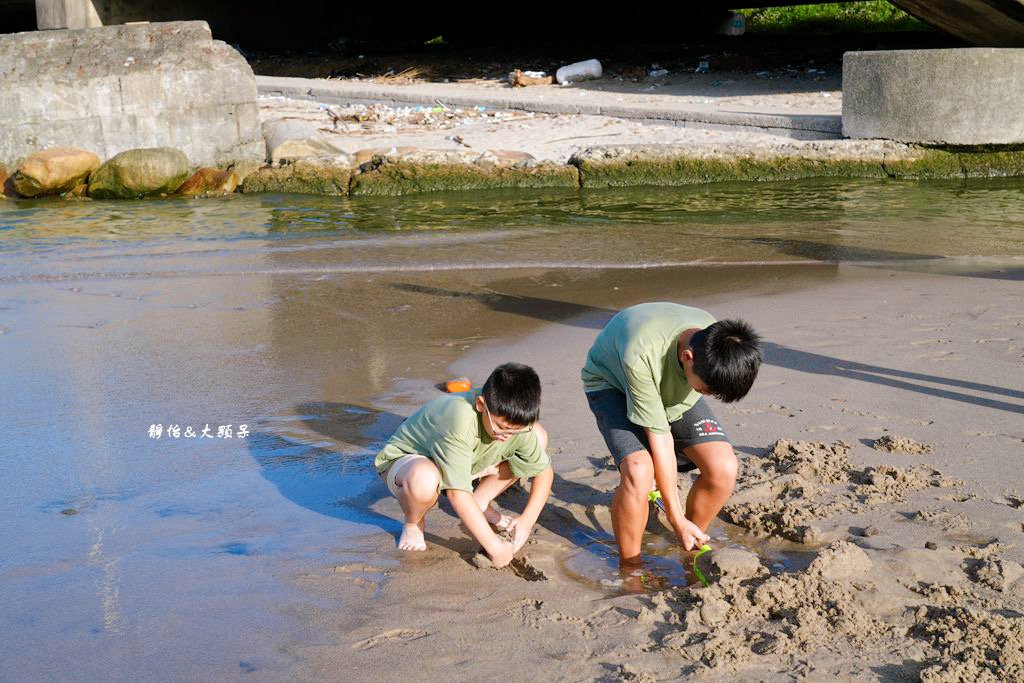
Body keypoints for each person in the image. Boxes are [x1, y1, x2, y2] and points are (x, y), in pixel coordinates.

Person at [581, 302, 762, 565]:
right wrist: (675, 518)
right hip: (612, 384)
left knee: (724, 467)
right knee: (639, 470)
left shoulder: (713, 338)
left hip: (674, 388)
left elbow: (698, 388)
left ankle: (690, 539)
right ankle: (630, 565)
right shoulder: (641, 352)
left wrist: (683, 523)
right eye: (708, 390)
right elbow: (661, 440)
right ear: (688, 357)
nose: (709, 396)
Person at [375, 362, 553, 568]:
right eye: (502, 428)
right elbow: (456, 495)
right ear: (480, 405)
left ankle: (480, 503)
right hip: (411, 462)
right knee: (424, 479)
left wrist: (527, 521)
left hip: (465, 461)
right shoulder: (459, 416)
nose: (507, 435)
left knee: (538, 437)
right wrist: (495, 548)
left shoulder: (516, 426)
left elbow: (544, 472)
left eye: (515, 431)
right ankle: (413, 522)